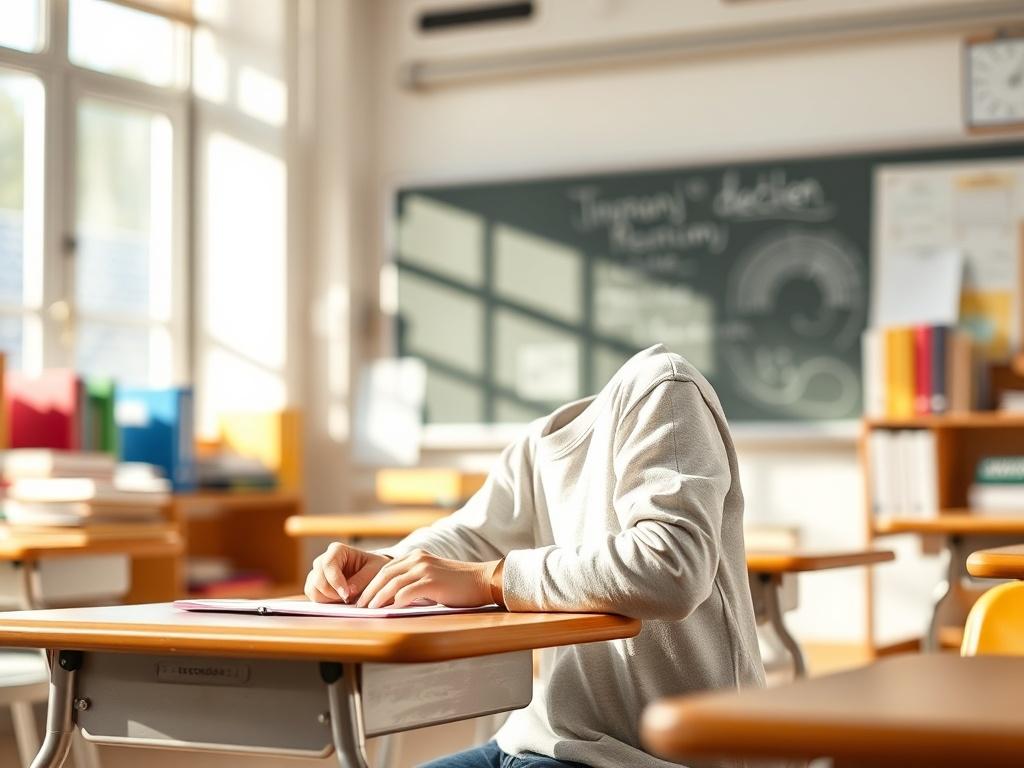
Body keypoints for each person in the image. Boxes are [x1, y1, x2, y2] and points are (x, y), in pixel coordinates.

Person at [305, 344, 765, 768]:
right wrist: (388, 565)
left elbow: (671, 566)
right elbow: (468, 536)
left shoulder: (663, 387)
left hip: (644, 758)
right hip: (537, 738)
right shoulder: (538, 445)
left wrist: (492, 580)